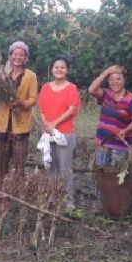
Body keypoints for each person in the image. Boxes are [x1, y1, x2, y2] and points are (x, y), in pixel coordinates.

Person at [0, 41, 38, 180]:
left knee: (19, 162)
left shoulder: (31, 76)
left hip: (21, 125)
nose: (18, 57)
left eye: (21, 55)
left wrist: (20, 103)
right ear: (10, 55)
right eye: (15, 54)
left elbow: (33, 99)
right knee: (0, 161)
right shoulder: (1, 73)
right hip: (2, 124)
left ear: (26, 58)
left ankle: (16, 189)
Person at [37, 56, 81, 209]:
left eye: (62, 67)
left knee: (65, 168)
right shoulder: (45, 88)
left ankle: (68, 202)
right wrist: (46, 124)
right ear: (52, 69)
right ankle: (52, 198)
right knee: (51, 167)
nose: (59, 70)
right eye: (56, 67)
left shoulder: (71, 88)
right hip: (49, 133)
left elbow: (71, 109)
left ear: (66, 70)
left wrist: (54, 123)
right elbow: (41, 108)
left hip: (65, 133)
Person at [88, 65, 132, 168]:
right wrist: (106, 72)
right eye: (111, 79)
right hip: (103, 144)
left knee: (119, 178)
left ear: (124, 80)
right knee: (103, 177)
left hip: (121, 147)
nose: (115, 82)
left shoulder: (131, 100)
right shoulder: (106, 94)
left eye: (118, 79)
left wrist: (125, 131)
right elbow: (91, 90)